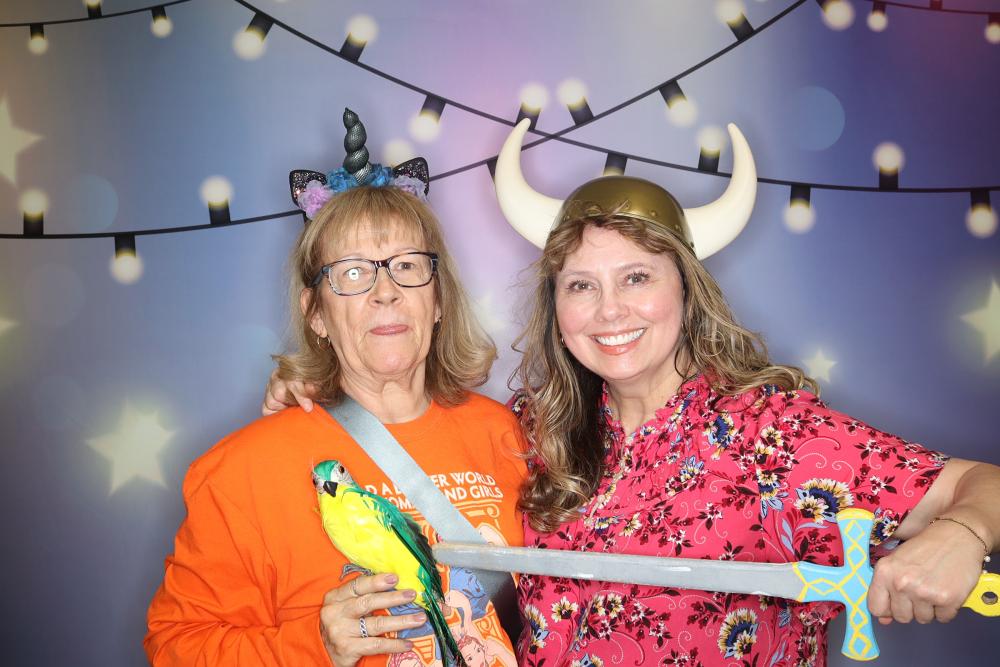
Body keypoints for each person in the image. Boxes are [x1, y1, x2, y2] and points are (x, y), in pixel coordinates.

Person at [264, 120, 1000, 666]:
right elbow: (418, 429)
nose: (609, 311)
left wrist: (962, 533)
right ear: (557, 307)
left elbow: (984, 485)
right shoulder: (532, 434)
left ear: (687, 290)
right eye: (581, 286)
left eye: (637, 278)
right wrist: (326, 387)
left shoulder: (772, 435)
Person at [145, 110, 526, 667]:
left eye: (407, 266)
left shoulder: (508, 436)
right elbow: (176, 647)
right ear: (316, 313)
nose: (385, 292)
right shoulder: (242, 472)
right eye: (352, 272)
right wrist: (314, 646)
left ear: (438, 300)